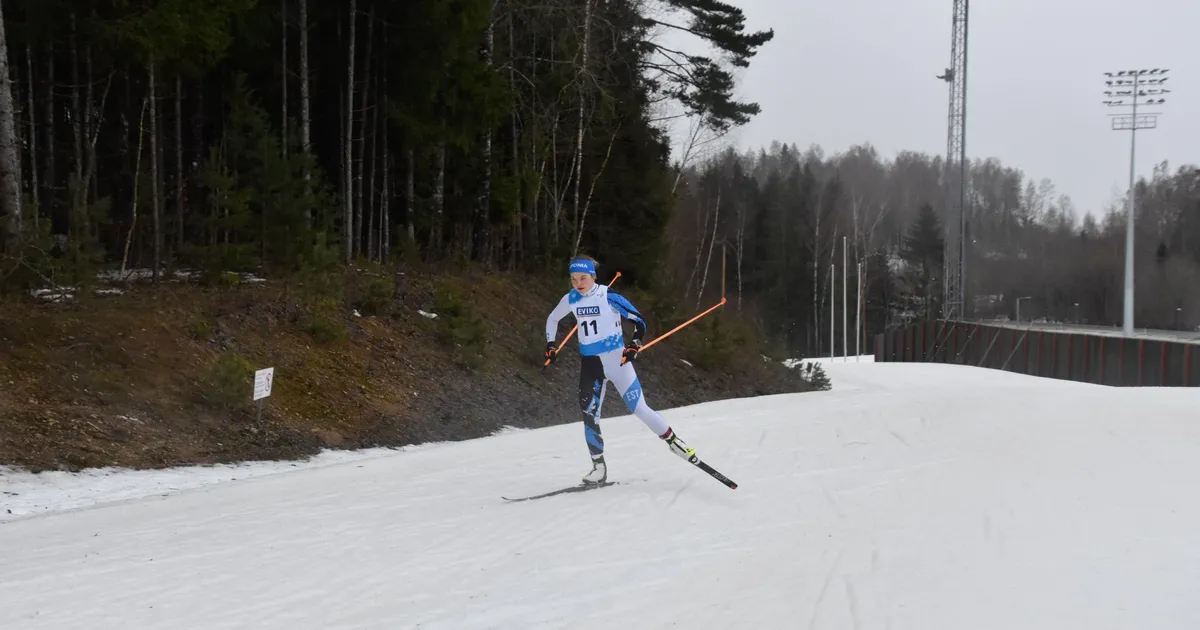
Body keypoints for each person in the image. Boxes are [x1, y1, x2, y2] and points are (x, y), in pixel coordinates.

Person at [544, 255, 696, 485]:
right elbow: (552, 319)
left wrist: (635, 344)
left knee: (640, 409)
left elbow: (639, 321)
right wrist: (550, 345)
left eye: (583, 278)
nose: (578, 284)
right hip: (591, 364)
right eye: (574, 279)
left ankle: (675, 443)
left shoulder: (608, 295)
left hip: (618, 362)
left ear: (593, 276)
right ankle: (598, 467)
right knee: (589, 415)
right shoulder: (571, 299)